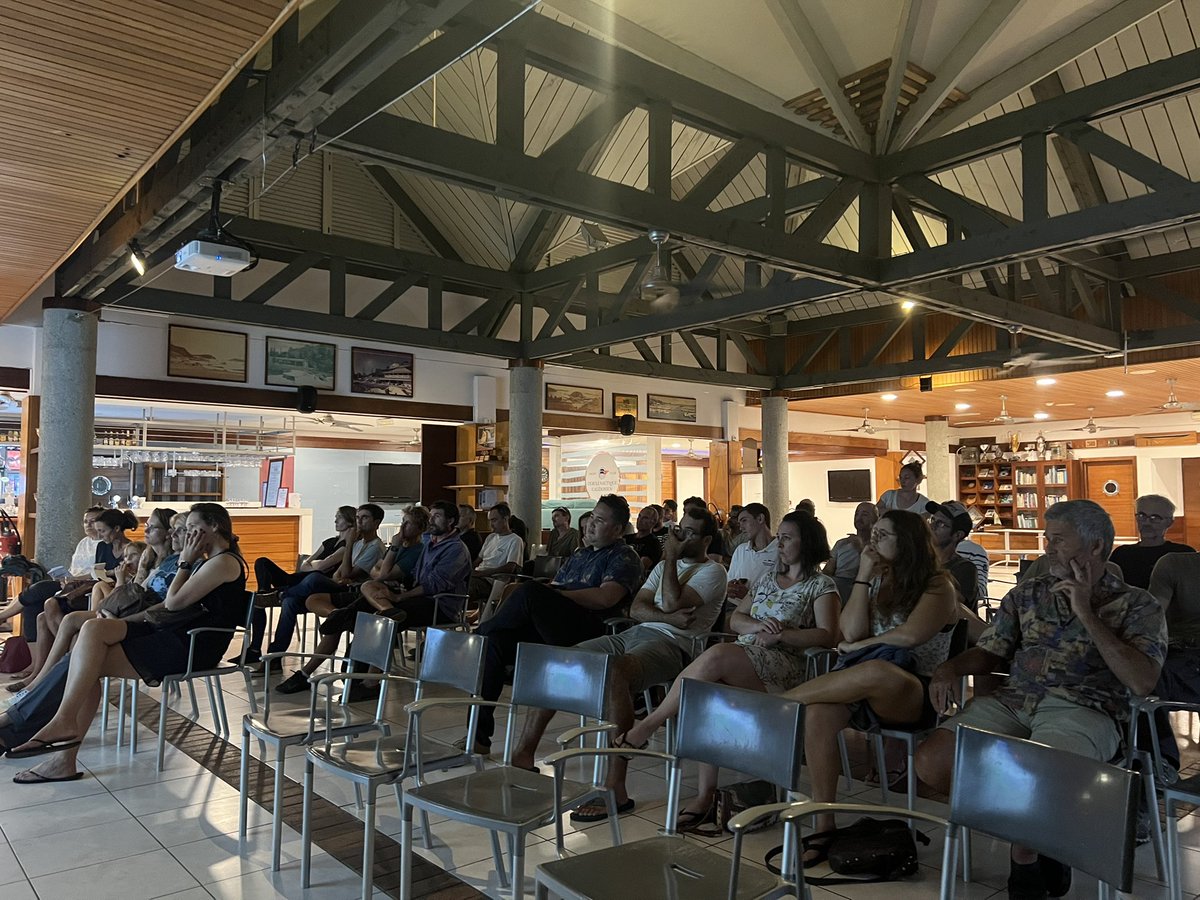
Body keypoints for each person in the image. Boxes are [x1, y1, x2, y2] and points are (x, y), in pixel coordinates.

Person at [915, 500, 1166, 900]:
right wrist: (950, 668)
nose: (1047, 546)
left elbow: (1141, 681)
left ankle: (1026, 853)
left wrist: (1086, 612)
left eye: (1058, 539)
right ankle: (1044, 832)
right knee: (933, 761)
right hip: (1015, 702)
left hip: (1085, 710)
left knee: (1039, 780)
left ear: (1096, 547)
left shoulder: (1138, 605)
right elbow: (993, 650)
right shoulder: (1028, 593)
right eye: (1047, 537)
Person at [622, 511, 840, 829]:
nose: (779, 543)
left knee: (718, 655)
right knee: (706, 695)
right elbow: (735, 620)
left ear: (807, 544)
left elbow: (828, 635)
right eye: (779, 537)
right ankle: (705, 796)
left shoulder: (821, 585)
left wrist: (782, 634)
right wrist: (757, 624)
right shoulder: (767, 580)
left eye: (787, 537)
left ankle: (648, 726)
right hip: (747, 656)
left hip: (787, 667)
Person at [509, 507, 727, 817]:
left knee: (614, 673)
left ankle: (615, 788)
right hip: (635, 632)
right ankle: (522, 756)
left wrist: (670, 560)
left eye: (689, 533)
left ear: (706, 540)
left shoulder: (713, 572)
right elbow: (636, 610)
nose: (679, 536)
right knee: (557, 660)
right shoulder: (665, 565)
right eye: (680, 529)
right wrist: (667, 615)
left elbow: (676, 600)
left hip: (674, 646)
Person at [6, 503, 248, 783]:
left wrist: (186, 561)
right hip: (171, 634)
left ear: (214, 526)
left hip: (191, 646)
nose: (189, 534)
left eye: (193, 528)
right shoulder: (210, 560)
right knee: (92, 633)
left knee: (86, 664)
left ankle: (39, 730)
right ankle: (59, 730)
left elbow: (173, 602)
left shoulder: (224, 562)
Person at [782, 509, 958, 864]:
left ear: (906, 542)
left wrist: (858, 648)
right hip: (865, 683)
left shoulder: (938, 584)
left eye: (882, 535)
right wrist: (863, 575)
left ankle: (775, 706)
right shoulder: (877, 578)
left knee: (876, 669)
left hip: (914, 691)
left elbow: (910, 637)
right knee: (818, 714)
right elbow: (849, 632)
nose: (872, 541)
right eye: (872, 534)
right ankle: (823, 824)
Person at [465, 495, 643, 755]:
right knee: (495, 644)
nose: (590, 525)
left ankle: (476, 637)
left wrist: (557, 595)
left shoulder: (624, 556)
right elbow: (557, 586)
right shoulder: (581, 554)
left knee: (529, 591)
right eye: (591, 518)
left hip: (591, 628)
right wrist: (553, 593)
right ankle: (479, 737)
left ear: (617, 530)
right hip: (556, 624)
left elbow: (606, 598)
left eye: (600, 521)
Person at [275, 502, 470, 694]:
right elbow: (379, 573)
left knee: (378, 618)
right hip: (408, 595)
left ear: (451, 521)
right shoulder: (430, 541)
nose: (431, 521)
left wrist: (399, 595)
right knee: (360, 605)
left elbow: (431, 585)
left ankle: (369, 684)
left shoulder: (454, 549)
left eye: (437, 516)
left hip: (438, 605)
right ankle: (307, 673)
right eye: (431, 516)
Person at [263, 504, 385, 656]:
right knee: (290, 603)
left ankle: (279, 594)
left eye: (364, 518)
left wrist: (348, 545)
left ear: (376, 523)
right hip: (338, 584)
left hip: (352, 592)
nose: (359, 521)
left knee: (314, 578)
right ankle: (275, 656)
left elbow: (348, 572)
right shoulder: (358, 543)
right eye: (358, 517)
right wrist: (341, 574)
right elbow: (338, 574)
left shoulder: (375, 546)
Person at [0, 507, 104, 639]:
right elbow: (74, 567)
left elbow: (97, 572)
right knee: (32, 607)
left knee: (39, 588)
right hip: (69, 582)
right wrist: (65, 577)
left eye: (92, 521)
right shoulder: (84, 542)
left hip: (83, 586)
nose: (88, 525)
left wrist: (73, 579)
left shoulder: (104, 545)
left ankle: (3, 616)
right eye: (85, 521)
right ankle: (34, 653)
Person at [1145, 550, 1200, 774]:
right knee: (1146, 681)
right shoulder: (1175, 564)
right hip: (1178, 653)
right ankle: (1161, 764)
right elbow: (1152, 618)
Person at [253, 506, 352, 596]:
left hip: (313, 584)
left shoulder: (345, 547)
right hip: (297, 578)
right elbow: (304, 565)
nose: (335, 521)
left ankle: (267, 595)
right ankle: (264, 593)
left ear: (350, 521)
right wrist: (315, 566)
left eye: (340, 517)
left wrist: (314, 566)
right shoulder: (329, 541)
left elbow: (321, 566)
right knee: (262, 561)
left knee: (313, 577)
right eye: (336, 517)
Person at [1109, 494, 1193, 589]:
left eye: (1155, 518)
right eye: (1142, 516)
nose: (1147, 523)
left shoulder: (1183, 554)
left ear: (1169, 522)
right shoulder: (1121, 554)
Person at [926, 500, 979, 607]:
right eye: (932, 519)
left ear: (957, 535)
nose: (931, 526)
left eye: (941, 524)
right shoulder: (920, 561)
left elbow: (954, 605)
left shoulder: (965, 569)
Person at [468, 503, 524, 601]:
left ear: (505, 519)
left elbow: (510, 567)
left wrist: (482, 573)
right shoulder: (490, 537)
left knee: (464, 586)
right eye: (490, 520)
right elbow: (478, 560)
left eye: (494, 520)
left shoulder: (515, 540)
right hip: (480, 576)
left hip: (493, 581)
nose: (491, 525)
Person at [825, 502, 877, 603]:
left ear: (875, 520)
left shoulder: (878, 546)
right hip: (838, 585)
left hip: (863, 585)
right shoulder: (841, 543)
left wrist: (861, 548)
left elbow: (876, 574)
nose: (859, 517)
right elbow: (828, 570)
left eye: (864, 514)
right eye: (857, 514)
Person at [727, 503, 777, 600]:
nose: (741, 528)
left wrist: (749, 596)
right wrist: (730, 587)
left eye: (744, 521)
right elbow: (730, 579)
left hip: (762, 611)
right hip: (734, 606)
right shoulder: (741, 550)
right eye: (739, 523)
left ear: (760, 519)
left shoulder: (780, 551)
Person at [683, 497, 728, 563]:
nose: (687, 515)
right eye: (685, 512)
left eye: (692, 512)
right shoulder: (681, 532)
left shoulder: (715, 534)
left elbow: (715, 560)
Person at [625, 504, 664, 571]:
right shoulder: (627, 538)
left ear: (653, 521)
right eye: (639, 516)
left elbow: (641, 567)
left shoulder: (653, 543)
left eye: (645, 518)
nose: (640, 520)